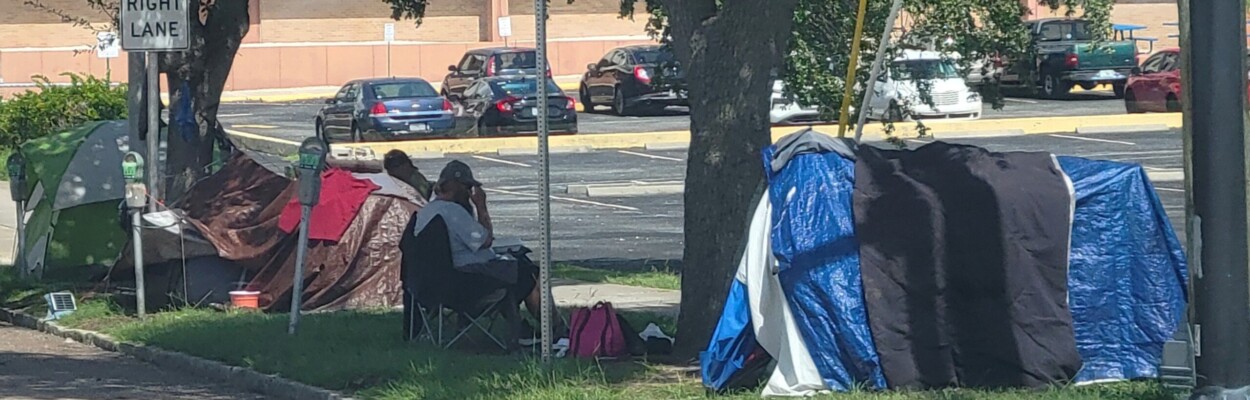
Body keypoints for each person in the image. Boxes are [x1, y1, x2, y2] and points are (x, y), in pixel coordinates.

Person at [413, 160, 563, 343]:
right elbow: (485, 240)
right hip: (465, 282)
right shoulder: (453, 212)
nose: (470, 193)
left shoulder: (426, 212)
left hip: (433, 284)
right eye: (468, 188)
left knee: (513, 270)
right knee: (528, 272)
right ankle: (555, 329)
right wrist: (481, 206)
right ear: (457, 186)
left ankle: (524, 328)